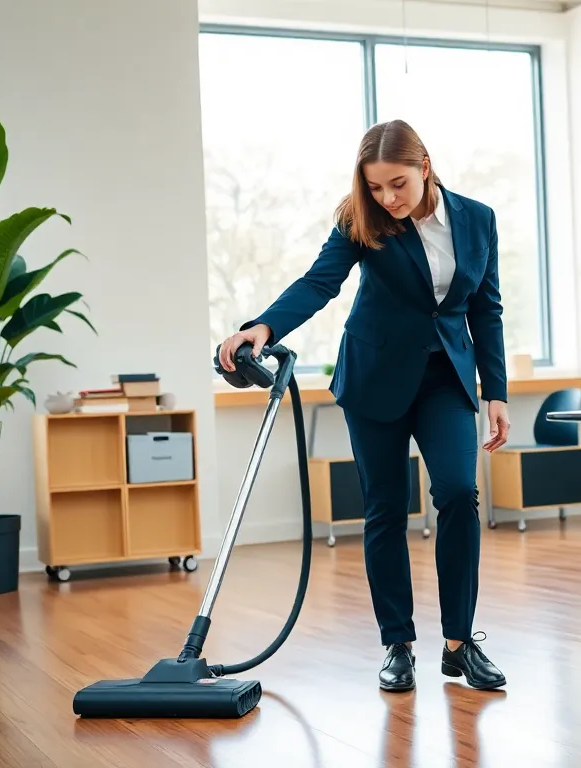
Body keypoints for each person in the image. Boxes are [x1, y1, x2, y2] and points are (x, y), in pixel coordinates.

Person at [218, 119, 510, 692]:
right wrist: (264, 326)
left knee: (458, 493)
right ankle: (398, 644)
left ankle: (459, 642)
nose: (387, 199)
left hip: (446, 377)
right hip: (375, 377)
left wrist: (494, 391)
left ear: (425, 167)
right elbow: (318, 282)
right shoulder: (362, 219)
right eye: (375, 188)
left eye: (397, 184)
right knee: (386, 508)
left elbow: (486, 308)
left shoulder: (478, 219)